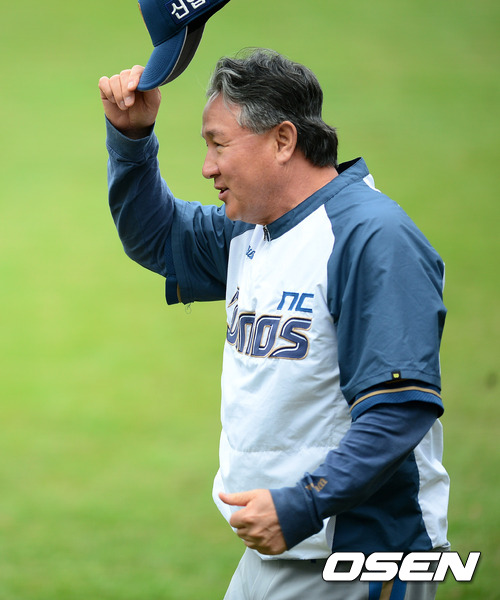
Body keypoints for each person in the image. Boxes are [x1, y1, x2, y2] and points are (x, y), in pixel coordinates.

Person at [99, 49, 450, 600]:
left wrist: (303, 502)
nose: (207, 167)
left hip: (357, 559)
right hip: (274, 549)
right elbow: (157, 236)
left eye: (218, 144)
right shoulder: (253, 229)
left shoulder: (371, 238)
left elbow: (398, 409)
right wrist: (131, 137)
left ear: (283, 140)